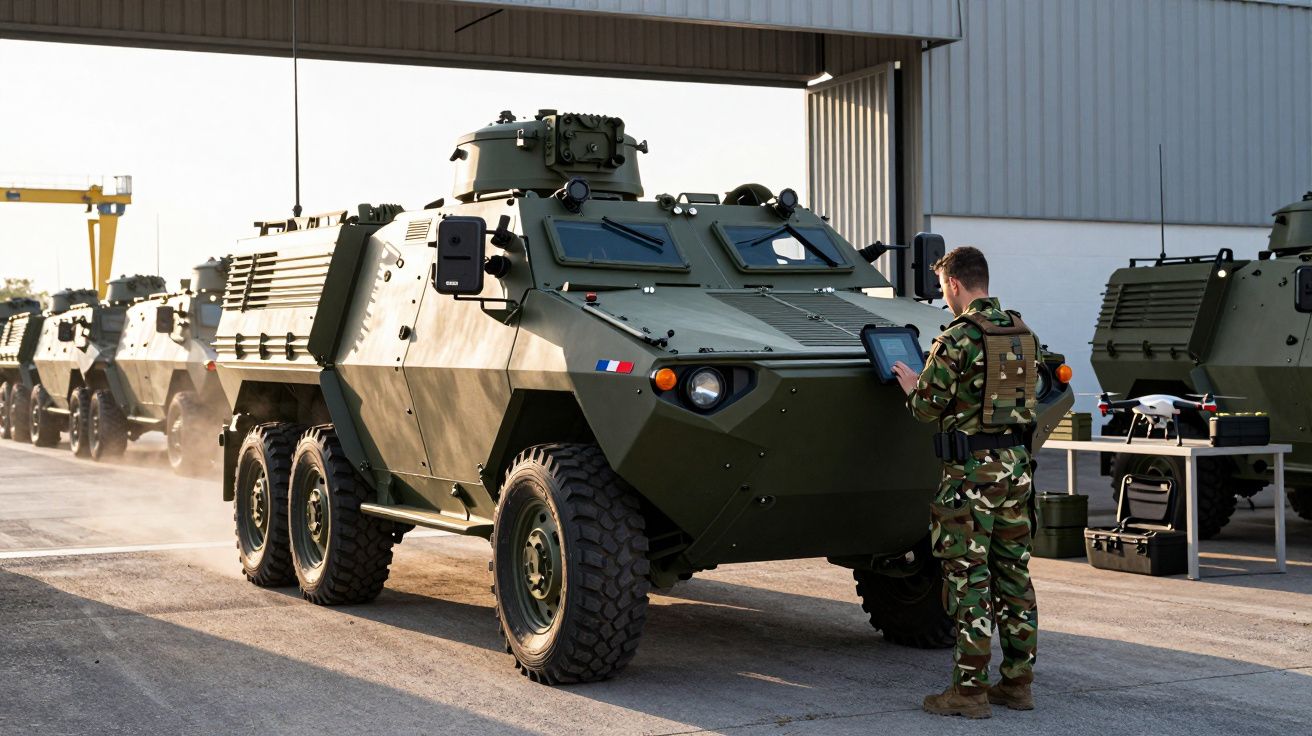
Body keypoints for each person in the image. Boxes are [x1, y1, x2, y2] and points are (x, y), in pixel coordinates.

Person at [891, 246, 1040, 719]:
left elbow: (925, 409)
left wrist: (912, 386)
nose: (944, 297)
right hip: (1016, 470)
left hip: (971, 477)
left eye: (943, 288)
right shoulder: (1022, 332)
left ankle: (969, 693)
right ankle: (1017, 684)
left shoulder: (957, 338)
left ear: (954, 284)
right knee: (1014, 576)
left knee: (968, 580)